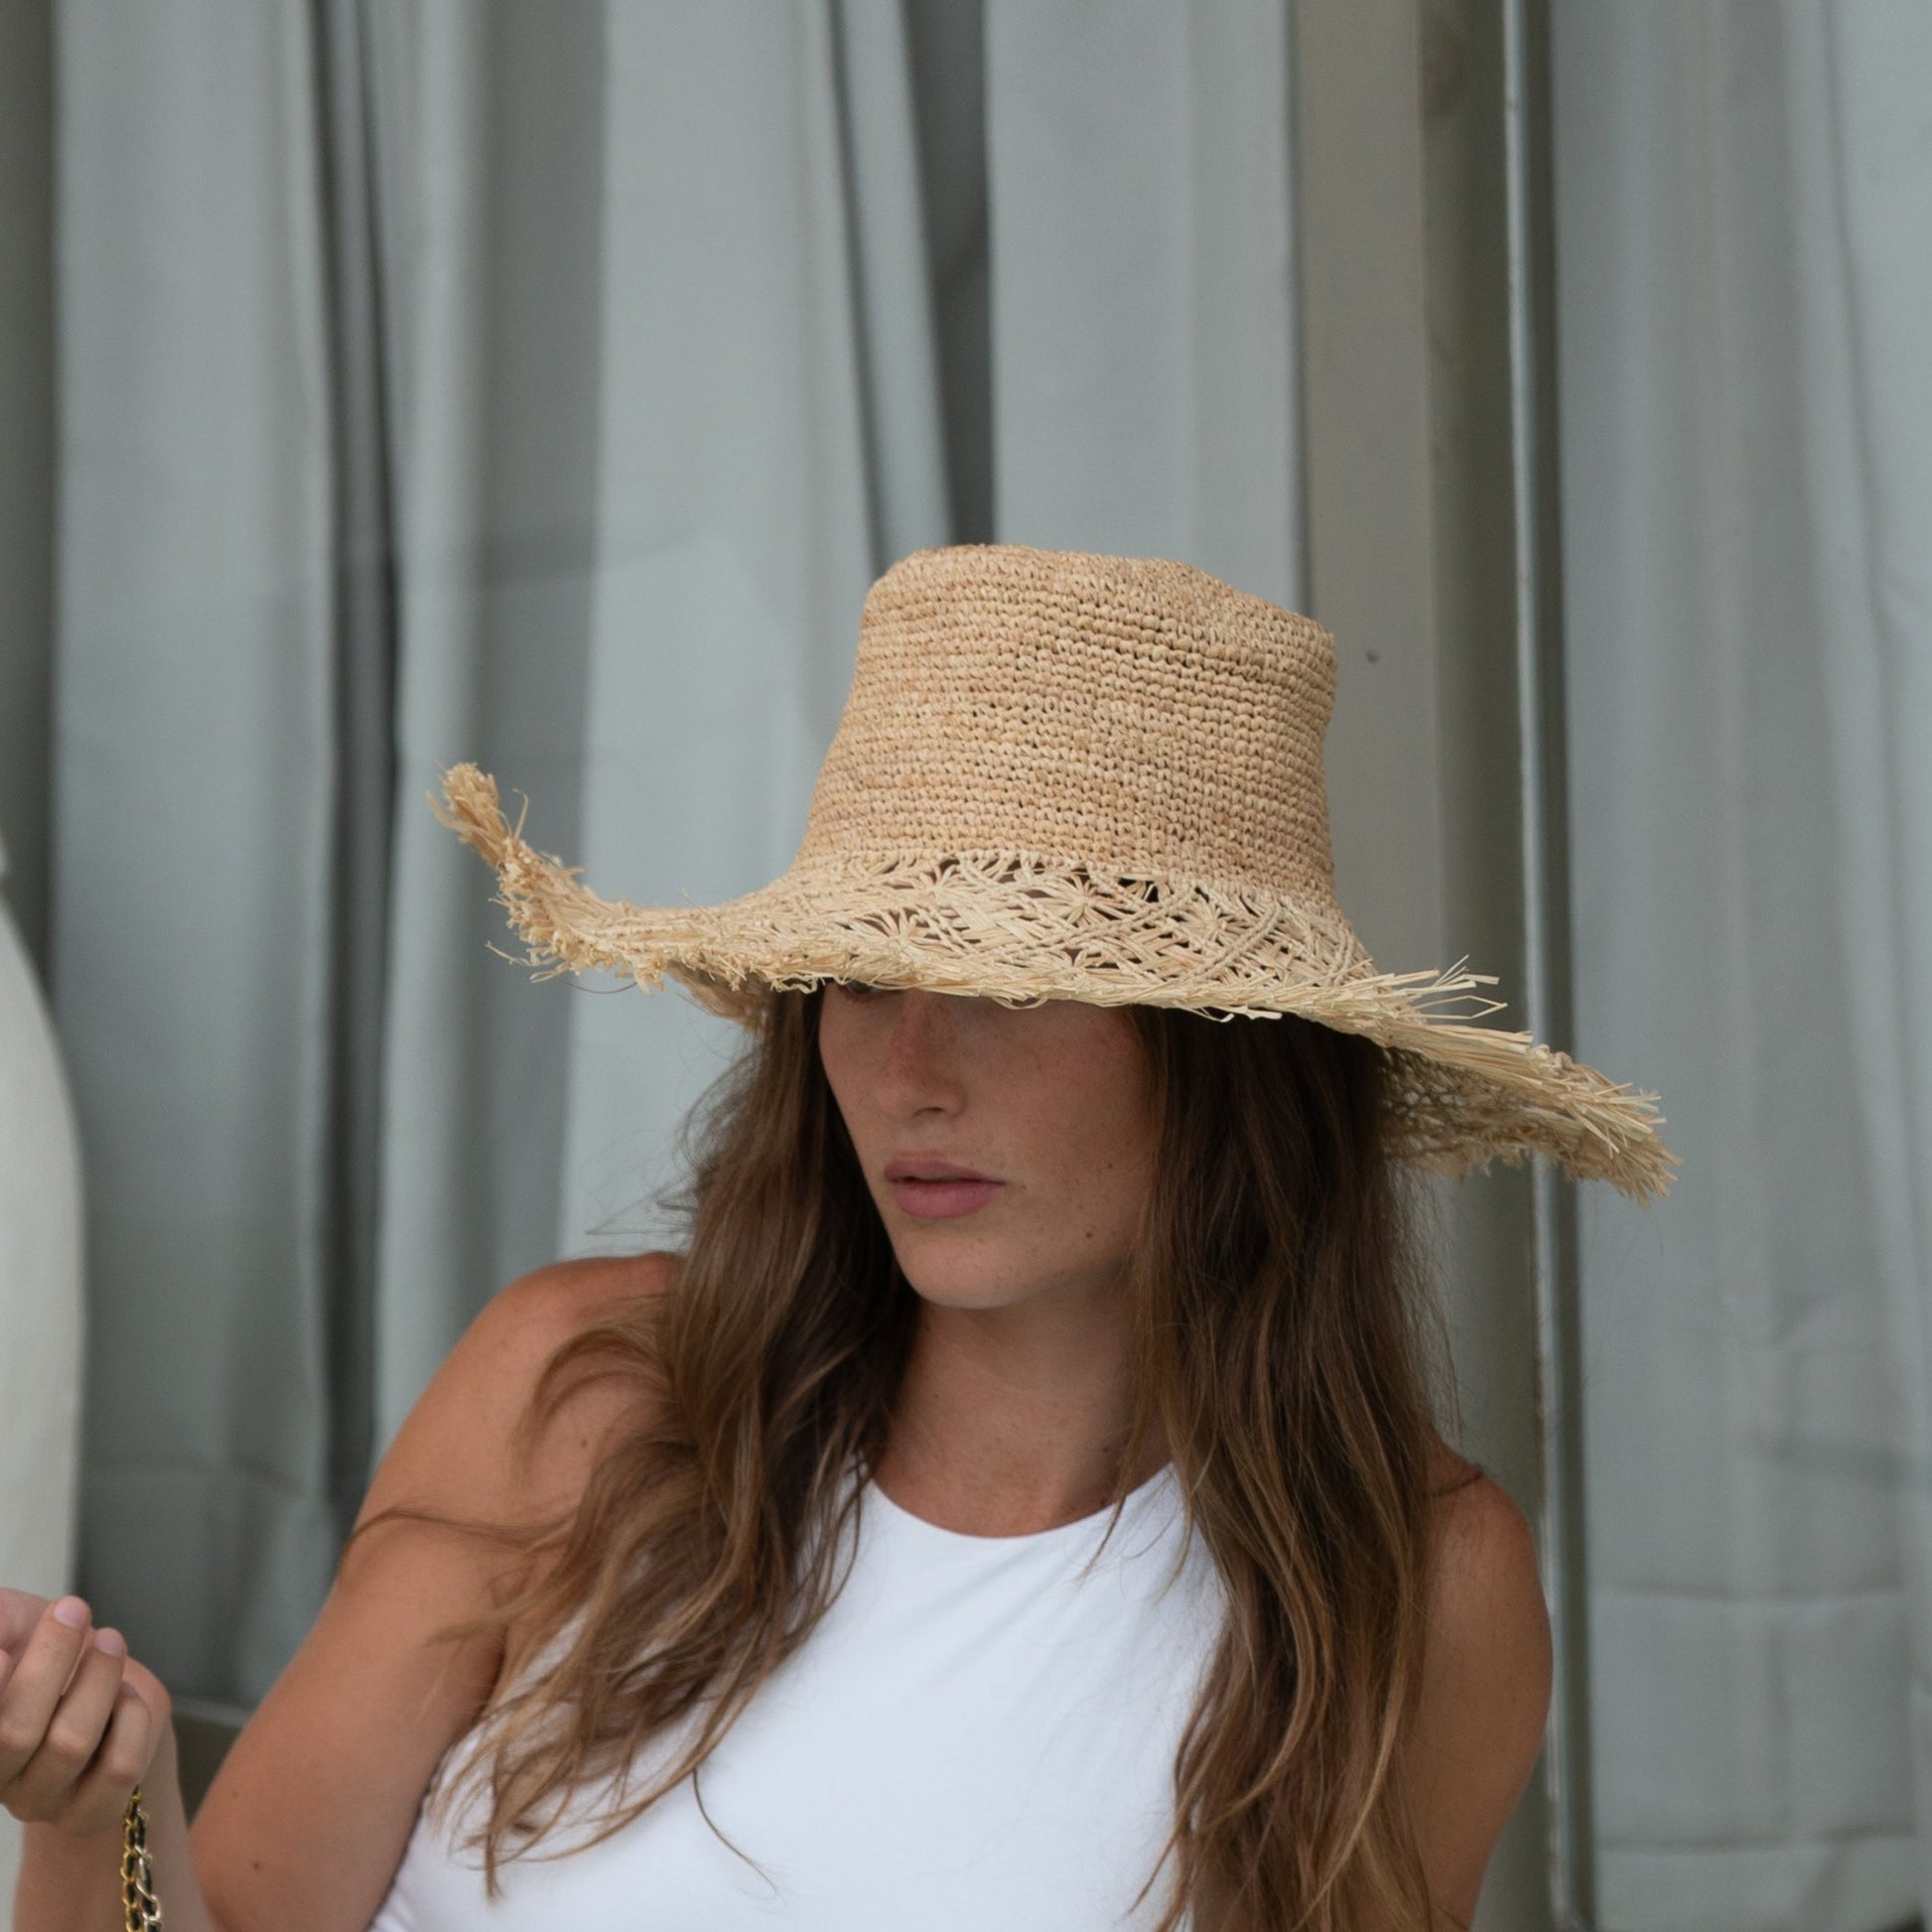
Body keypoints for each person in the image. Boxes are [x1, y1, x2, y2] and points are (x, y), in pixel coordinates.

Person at [1, 545, 1674, 1931]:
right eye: (861, 979)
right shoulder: (585, 1391)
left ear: (1229, 1058)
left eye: (1015, 987)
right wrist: (105, 1811)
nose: (910, 1071)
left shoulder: (1408, 1578)